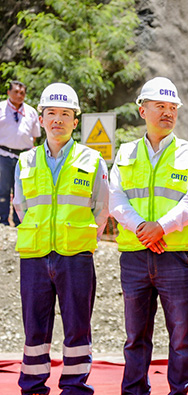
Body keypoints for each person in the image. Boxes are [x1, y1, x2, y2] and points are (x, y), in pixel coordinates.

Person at [109, 77, 188, 395]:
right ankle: (135, 390)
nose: (167, 112)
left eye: (172, 107)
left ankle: (179, 391)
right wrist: (143, 228)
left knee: (181, 335)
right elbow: (115, 198)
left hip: (176, 254)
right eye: (159, 106)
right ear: (142, 110)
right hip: (135, 255)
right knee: (135, 335)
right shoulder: (124, 154)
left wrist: (160, 227)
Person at [13, 82, 109, 394]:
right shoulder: (24, 161)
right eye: (51, 113)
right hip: (35, 256)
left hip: (76, 256)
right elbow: (20, 206)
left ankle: (75, 386)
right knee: (35, 327)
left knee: (77, 326)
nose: (57, 119)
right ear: (40, 119)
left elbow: (101, 209)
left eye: (65, 114)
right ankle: (33, 385)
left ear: (75, 122)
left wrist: (80, 237)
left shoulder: (92, 160)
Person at [1, 81, 41, 226]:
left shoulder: (31, 112)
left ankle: (20, 222)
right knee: (3, 189)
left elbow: (35, 135)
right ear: (9, 93)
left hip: (24, 157)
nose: (19, 95)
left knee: (23, 190)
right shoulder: (1, 108)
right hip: (3, 155)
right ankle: (3, 221)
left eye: (22, 93)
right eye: (16, 92)